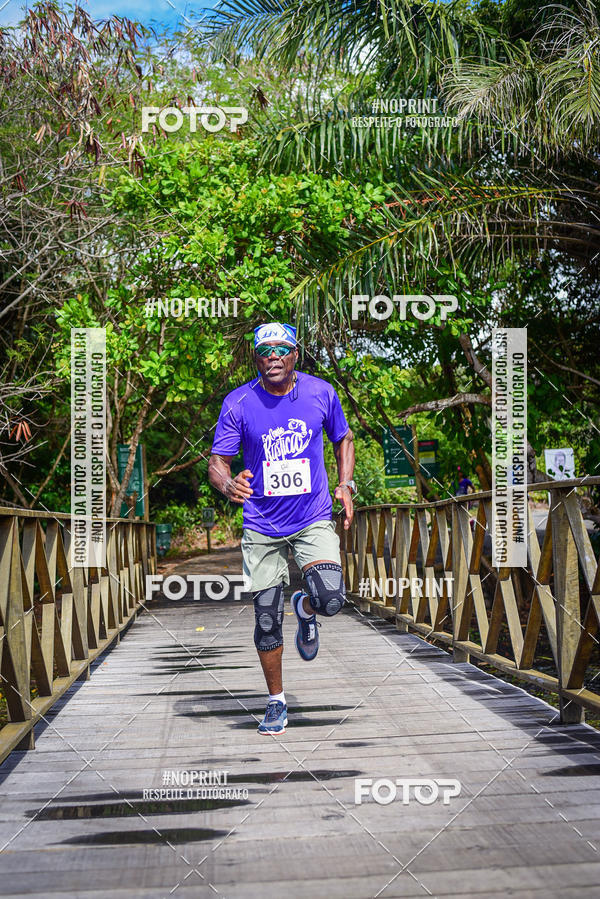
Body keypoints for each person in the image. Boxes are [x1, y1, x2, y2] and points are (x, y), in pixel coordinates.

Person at [208, 322, 356, 735]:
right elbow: (217, 462)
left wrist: (345, 485)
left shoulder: (321, 392)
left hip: (312, 516)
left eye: (281, 350)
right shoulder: (238, 402)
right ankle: (276, 702)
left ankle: (307, 610)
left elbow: (343, 439)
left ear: (295, 356)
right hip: (262, 522)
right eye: (265, 351)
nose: (273, 356)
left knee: (330, 598)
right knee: (267, 620)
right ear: (256, 358)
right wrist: (227, 483)